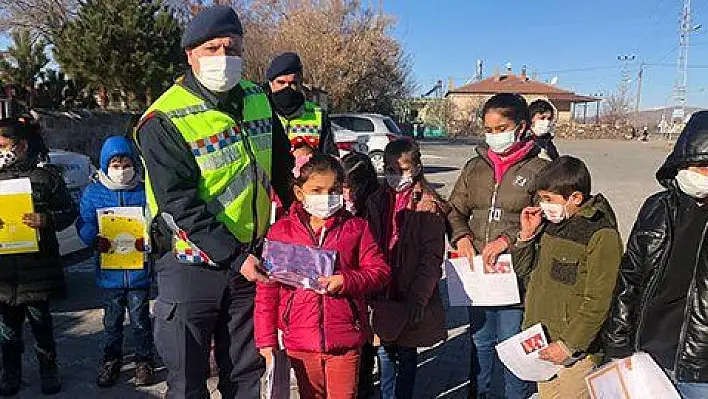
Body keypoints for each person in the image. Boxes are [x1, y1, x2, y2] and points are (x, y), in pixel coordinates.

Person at [133, 6, 294, 397]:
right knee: (188, 381)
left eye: (232, 47)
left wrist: (301, 211)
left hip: (251, 260)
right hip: (191, 266)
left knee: (245, 375)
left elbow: (280, 162)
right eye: (211, 48)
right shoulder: (163, 119)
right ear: (190, 55)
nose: (223, 57)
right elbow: (179, 202)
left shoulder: (257, 97)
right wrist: (236, 256)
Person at [255, 153, 390, 399]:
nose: (326, 198)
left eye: (333, 190)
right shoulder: (281, 232)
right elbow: (267, 290)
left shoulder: (355, 228)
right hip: (300, 339)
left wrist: (346, 281)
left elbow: (379, 271)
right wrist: (266, 340)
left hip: (344, 339)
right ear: (299, 192)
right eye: (317, 190)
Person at [448, 93, 549, 399]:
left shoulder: (540, 169)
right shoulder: (474, 167)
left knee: (512, 346)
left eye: (500, 127)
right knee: (480, 343)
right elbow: (455, 210)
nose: (494, 136)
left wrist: (508, 240)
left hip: (516, 275)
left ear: (520, 127)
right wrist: (461, 236)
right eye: (488, 129)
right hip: (480, 276)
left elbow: (545, 219)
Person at [604, 111, 708, 399]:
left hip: (701, 369)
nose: (705, 174)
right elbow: (629, 279)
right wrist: (617, 342)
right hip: (648, 356)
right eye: (700, 165)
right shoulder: (657, 208)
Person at [514, 156, 622, 398]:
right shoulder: (550, 223)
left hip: (575, 354)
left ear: (575, 198)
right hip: (543, 342)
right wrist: (527, 236)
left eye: (549, 199)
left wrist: (569, 345)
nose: (543, 206)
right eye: (541, 199)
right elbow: (523, 271)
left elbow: (598, 301)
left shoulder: (601, 235)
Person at [0, 117, 77, 396]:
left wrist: (45, 220)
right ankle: (10, 374)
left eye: (3, 145)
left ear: (20, 146)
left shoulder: (45, 176)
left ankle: (49, 370)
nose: (0, 151)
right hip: (4, 271)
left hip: (37, 269)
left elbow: (69, 212)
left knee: (41, 325)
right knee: (7, 330)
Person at [368, 139, 448, 399]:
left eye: (402, 169)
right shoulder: (376, 200)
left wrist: (419, 296)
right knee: (384, 351)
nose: (396, 176)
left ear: (416, 167)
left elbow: (432, 257)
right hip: (382, 291)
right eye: (390, 170)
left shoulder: (427, 204)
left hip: (410, 290)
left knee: (407, 351)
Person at [75, 136, 154, 388]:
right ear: (105, 164)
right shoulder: (95, 192)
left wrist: (148, 240)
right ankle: (111, 359)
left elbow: (156, 222)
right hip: (110, 274)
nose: (121, 170)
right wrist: (92, 239)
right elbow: (83, 222)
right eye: (115, 164)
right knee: (112, 321)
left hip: (139, 271)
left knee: (141, 319)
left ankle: (144, 360)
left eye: (126, 163)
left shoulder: (143, 190)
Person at [341, 152, 383, 399]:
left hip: (367, 292)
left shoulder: (374, 209)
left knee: (365, 355)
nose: (344, 194)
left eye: (349, 188)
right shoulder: (341, 206)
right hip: (344, 292)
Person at [265, 51, 338, 156]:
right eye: (281, 83)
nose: (287, 88)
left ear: (300, 84)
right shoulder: (263, 114)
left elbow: (331, 159)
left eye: (292, 83)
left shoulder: (318, 115)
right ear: (271, 84)